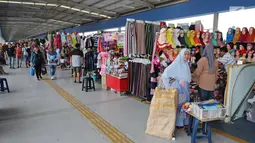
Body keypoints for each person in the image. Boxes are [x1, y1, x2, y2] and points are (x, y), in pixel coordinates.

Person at [162, 48, 191, 129]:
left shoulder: (185, 64)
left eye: (188, 54)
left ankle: (185, 122)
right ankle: (179, 124)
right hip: (180, 90)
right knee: (180, 106)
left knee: (185, 105)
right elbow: (165, 75)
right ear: (181, 55)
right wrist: (175, 83)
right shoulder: (176, 64)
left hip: (185, 90)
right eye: (185, 54)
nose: (187, 56)